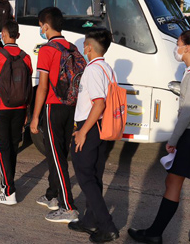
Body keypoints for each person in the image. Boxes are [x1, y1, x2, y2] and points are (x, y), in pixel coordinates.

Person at [129, 30, 190, 244]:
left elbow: (187, 113)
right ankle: (156, 232)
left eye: (178, 44)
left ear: (188, 48)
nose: (176, 48)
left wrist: (172, 140)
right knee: (173, 183)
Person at [68, 29, 119, 242]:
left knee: (86, 177)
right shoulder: (107, 68)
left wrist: (82, 132)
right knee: (95, 176)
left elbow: (99, 103)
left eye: (84, 44)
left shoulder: (92, 70)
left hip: (90, 127)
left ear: (89, 47)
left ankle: (107, 227)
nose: (83, 47)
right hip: (102, 128)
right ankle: (90, 220)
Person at [29, 7, 79, 224]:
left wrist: (34, 116)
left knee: (57, 158)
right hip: (71, 106)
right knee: (55, 152)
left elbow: (42, 87)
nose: (41, 29)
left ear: (46, 26)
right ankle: (52, 195)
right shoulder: (73, 48)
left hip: (53, 107)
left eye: (41, 26)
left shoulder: (47, 50)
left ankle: (68, 206)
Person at [0, 21, 32, 205]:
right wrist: (28, 111)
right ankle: (8, 183)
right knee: (13, 148)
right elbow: (28, 86)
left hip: (1, 108)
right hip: (20, 108)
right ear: (18, 36)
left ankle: (9, 191)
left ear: (4, 35)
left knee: (2, 148)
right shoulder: (26, 57)